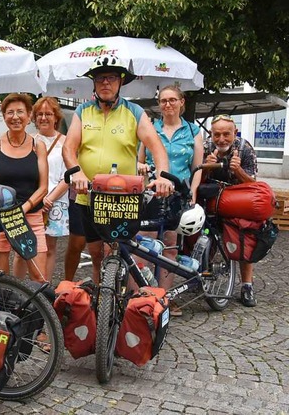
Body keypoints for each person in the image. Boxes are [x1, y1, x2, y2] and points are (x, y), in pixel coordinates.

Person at [62, 54, 173, 284]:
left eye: (111, 78)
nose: (105, 83)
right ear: (93, 82)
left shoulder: (134, 112)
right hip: (89, 196)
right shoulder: (83, 111)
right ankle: (99, 303)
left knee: (119, 251)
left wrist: (162, 176)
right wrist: (77, 172)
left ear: (120, 81)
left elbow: (157, 147)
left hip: (124, 197)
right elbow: (69, 148)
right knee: (96, 254)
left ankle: (123, 295)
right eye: (100, 78)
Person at [137, 85, 203, 315]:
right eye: (163, 101)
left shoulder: (193, 131)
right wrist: (142, 169)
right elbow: (139, 162)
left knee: (170, 248)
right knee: (144, 247)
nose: (168, 104)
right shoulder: (150, 129)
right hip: (152, 195)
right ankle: (144, 297)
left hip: (178, 196)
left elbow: (197, 168)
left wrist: (193, 192)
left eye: (172, 100)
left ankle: (164, 298)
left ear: (182, 102)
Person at [0, 93, 49, 283]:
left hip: (32, 216)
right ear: (3, 116)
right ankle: (4, 311)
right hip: (2, 218)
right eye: (10, 112)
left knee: (39, 278)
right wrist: (9, 211)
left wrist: (23, 208)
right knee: (1, 279)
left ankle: (36, 313)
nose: (15, 117)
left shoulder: (38, 145)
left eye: (20, 112)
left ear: (29, 116)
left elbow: (43, 187)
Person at [203, 114, 259, 307]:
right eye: (216, 134)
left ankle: (246, 286)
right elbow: (197, 178)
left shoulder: (245, 148)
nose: (221, 139)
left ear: (235, 132)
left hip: (239, 200)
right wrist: (206, 169)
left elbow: (254, 184)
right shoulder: (206, 147)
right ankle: (203, 275)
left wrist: (239, 171)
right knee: (204, 233)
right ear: (211, 134)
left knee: (244, 239)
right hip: (212, 200)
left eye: (226, 134)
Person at [13, 97, 68, 282]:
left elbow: (67, 177)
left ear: (56, 117)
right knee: (22, 248)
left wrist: (50, 199)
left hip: (56, 202)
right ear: (34, 118)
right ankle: (16, 289)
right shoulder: (29, 141)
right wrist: (38, 198)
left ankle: (44, 290)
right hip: (32, 201)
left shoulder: (65, 142)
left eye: (48, 114)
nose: (44, 118)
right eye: (40, 114)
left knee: (50, 249)